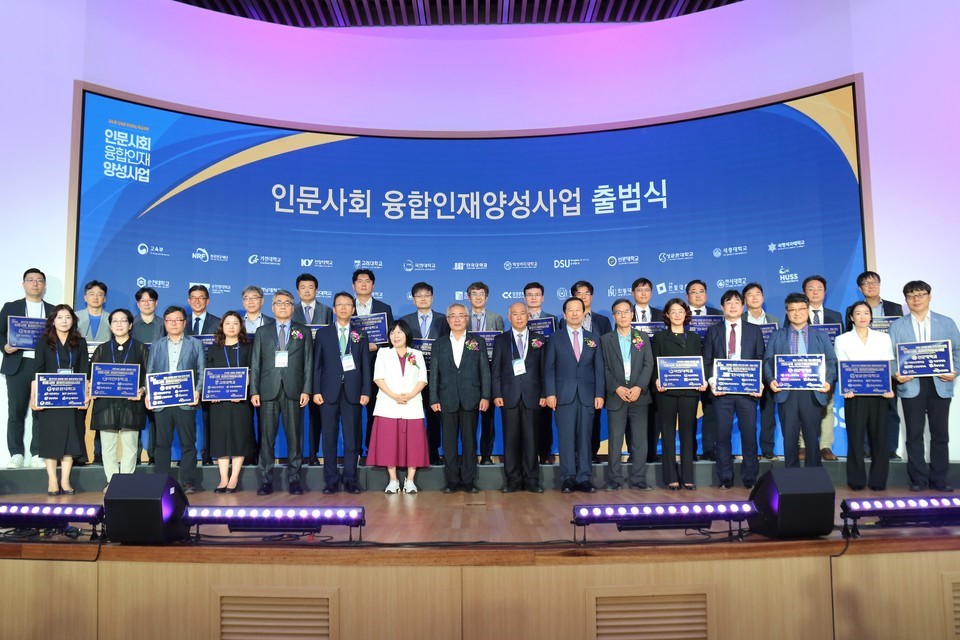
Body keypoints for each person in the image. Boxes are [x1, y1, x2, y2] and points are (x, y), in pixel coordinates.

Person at [888, 281, 960, 492]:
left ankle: (939, 479)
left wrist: (955, 371)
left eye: (920, 294)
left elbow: (958, 352)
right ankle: (918, 479)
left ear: (930, 297)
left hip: (940, 384)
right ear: (906, 300)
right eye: (911, 296)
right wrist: (896, 373)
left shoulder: (946, 323)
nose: (916, 299)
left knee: (940, 435)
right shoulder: (897, 326)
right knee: (914, 435)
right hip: (911, 385)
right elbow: (890, 357)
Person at [763, 293, 837, 469]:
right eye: (792, 310)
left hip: (812, 392)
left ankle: (813, 475)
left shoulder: (821, 335)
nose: (797, 313)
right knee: (789, 438)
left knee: (812, 437)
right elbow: (768, 361)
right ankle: (793, 477)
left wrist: (828, 381)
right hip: (786, 392)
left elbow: (831, 361)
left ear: (808, 310)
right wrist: (771, 380)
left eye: (801, 309)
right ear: (787, 312)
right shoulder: (777, 335)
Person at [251, 290, 312, 496]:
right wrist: (254, 391)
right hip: (268, 390)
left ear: (293, 307)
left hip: (294, 390)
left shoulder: (303, 331)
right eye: (279, 303)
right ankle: (265, 480)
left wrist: (306, 390)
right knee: (266, 439)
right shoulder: (262, 332)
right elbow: (256, 363)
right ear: (272, 307)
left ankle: (294, 479)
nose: (283, 306)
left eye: (287, 303)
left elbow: (308, 363)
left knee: (295, 439)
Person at [704, 290, 766, 489]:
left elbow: (760, 358)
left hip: (747, 392)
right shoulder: (713, 331)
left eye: (737, 302)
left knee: (749, 434)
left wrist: (758, 383)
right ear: (722, 307)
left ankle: (750, 478)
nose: (732, 306)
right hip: (722, 392)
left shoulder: (754, 331)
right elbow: (707, 361)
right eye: (728, 302)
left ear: (743, 306)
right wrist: (713, 382)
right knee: (722, 436)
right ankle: (725, 478)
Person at [545, 297, 604, 493]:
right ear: (564, 314)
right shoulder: (555, 338)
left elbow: (599, 369)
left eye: (578, 309)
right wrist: (550, 393)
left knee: (585, 438)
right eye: (570, 310)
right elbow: (549, 368)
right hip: (563, 395)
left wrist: (599, 393)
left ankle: (584, 477)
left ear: (584, 312)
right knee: (566, 438)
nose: (574, 313)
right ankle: (568, 478)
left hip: (587, 395)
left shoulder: (593, 338)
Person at [429, 303, 491, 493]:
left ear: (467, 318)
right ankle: (452, 481)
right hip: (446, 399)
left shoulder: (477, 341)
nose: (457, 319)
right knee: (448, 444)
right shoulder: (439, 344)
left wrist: (485, 396)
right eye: (453, 316)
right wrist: (433, 398)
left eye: (461, 315)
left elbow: (484, 371)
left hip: (471, 398)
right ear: (447, 320)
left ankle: (469, 481)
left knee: (469, 442)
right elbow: (434, 374)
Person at [313, 292, 370, 494]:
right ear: (334, 309)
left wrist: (366, 390)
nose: (344, 308)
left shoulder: (360, 334)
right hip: (328, 392)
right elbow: (317, 365)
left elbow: (365, 365)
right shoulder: (323, 333)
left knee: (352, 439)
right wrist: (316, 390)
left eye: (347, 304)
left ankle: (350, 479)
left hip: (353, 392)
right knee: (329, 438)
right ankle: (331, 480)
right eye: (340, 304)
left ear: (353, 309)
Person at [835, 301, 895, 491]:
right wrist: (847, 387)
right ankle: (856, 480)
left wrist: (889, 387)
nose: (862, 316)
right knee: (855, 438)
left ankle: (878, 481)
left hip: (880, 394)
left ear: (871, 316)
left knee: (880, 439)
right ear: (851, 317)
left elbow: (888, 365)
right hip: (854, 395)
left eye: (866, 313)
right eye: (858, 313)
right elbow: (842, 366)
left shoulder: (883, 338)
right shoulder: (842, 339)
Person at [29, 305, 89, 495]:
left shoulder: (80, 342)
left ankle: (65, 481)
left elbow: (84, 370)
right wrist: (34, 397)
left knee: (70, 440)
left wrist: (86, 396)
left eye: (68, 317)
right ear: (53, 320)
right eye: (60, 317)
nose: (64, 321)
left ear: (73, 321)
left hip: (72, 397)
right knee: (51, 440)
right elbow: (37, 372)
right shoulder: (44, 342)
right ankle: (52, 481)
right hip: (50, 397)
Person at [145, 306, 205, 493]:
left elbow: (201, 370)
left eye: (177, 320)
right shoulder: (157, 344)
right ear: (164, 323)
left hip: (186, 400)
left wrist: (198, 391)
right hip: (162, 401)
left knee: (188, 443)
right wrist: (149, 393)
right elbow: (150, 371)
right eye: (169, 320)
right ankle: (161, 481)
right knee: (161, 443)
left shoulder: (195, 344)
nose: (173, 323)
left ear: (184, 323)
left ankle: (188, 481)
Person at [847, 270, 904, 460]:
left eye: (874, 282)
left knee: (890, 410)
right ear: (860, 288)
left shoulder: (895, 308)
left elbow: (899, 338)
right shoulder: (853, 310)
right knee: (862, 411)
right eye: (866, 283)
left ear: (879, 285)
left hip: (886, 366)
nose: (871, 286)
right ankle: (866, 448)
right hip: (860, 369)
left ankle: (890, 449)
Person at [367, 320, 429, 493]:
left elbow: (423, 379)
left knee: (414, 443)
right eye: (392, 332)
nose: (396, 336)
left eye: (399, 332)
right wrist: (394, 395)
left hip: (412, 403)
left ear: (407, 335)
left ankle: (410, 480)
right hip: (388, 403)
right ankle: (393, 480)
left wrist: (410, 395)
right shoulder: (383, 353)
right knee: (389, 443)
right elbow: (378, 377)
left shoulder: (416, 354)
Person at [1, 268, 54, 468]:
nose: (35, 283)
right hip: (18, 364)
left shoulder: (53, 310)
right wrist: (5, 347)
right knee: (16, 411)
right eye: (30, 280)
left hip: (44, 367)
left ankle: (37, 453)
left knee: (41, 411)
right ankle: (16, 454)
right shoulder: (11, 307)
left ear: (44, 285)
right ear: (23, 284)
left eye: (39, 280)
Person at [651, 299, 707, 490]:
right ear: (667, 315)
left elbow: (699, 363)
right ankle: (671, 477)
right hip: (666, 392)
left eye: (680, 311)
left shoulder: (694, 338)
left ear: (686, 314)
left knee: (688, 433)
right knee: (667, 433)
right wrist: (656, 380)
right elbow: (654, 363)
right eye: (673, 311)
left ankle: (687, 476)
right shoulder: (659, 337)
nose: (677, 314)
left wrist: (702, 380)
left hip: (689, 392)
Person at [89, 309, 147, 489]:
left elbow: (148, 375)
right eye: (115, 321)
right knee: (107, 448)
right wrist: (93, 388)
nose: (119, 324)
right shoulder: (102, 349)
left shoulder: (140, 348)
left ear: (130, 325)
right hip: (107, 405)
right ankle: (112, 483)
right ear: (110, 325)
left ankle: (126, 484)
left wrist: (143, 389)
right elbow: (92, 375)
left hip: (131, 404)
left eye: (123, 321)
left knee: (130, 447)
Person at [492, 302, 546, 493]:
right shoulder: (501, 340)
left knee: (532, 440)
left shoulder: (539, 339)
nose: (519, 317)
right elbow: (496, 370)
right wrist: (497, 393)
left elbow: (544, 370)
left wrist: (544, 393)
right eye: (515, 314)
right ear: (509, 317)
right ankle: (512, 480)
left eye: (523, 313)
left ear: (528, 316)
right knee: (511, 440)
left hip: (533, 396)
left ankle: (532, 479)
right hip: (509, 396)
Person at [600, 299, 654, 491]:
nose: (622, 316)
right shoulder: (605, 340)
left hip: (639, 396)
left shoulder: (642, 337)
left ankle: (638, 479)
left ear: (632, 314)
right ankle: (614, 480)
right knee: (615, 441)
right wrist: (616, 387)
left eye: (626, 312)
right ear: (613, 316)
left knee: (639, 441)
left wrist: (639, 387)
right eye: (618, 312)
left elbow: (649, 364)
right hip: (617, 396)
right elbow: (603, 367)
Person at [399, 281, 448, 466]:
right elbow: (399, 347)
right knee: (412, 417)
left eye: (427, 295)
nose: (423, 298)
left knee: (435, 417)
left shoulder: (444, 320)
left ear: (432, 298)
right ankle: (410, 453)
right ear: (413, 299)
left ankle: (433, 452)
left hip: (438, 377)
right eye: (419, 296)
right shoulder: (405, 321)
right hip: (413, 377)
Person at [205, 311, 253, 493]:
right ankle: (223, 478)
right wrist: (212, 392)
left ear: (241, 326)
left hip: (240, 401)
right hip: (218, 402)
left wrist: (243, 387)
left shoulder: (248, 347)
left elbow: (253, 370)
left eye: (235, 323)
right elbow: (208, 373)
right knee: (220, 438)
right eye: (227, 323)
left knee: (239, 437)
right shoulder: (213, 349)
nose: (231, 327)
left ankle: (234, 478)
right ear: (222, 326)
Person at [566, 280, 611, 464]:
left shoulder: (603, 321)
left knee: (594, 418)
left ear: (591, 296)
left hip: (594, 377)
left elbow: (608, 349)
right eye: (579, 294)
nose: (583, 297)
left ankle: (592, 453)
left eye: (586, 293)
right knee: (573, 420)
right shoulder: (564, 321)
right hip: (571, 380)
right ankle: (575, 454)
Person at [352, 268, 394, 456]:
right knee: (352, 412)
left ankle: (371, 449)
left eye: (367, 281)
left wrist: (376, 346)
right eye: (359, 281)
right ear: (353, 285)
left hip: (376, 366)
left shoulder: (384, 308)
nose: (363, 284)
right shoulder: (345, 306)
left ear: (373, 285)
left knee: (374, 410)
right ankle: (354, 450)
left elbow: (392, 338)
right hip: (351, 368)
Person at [802, 275, 842, 461]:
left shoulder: (836, 316)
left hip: (827, 369)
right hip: (803, 369)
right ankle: (803, 446)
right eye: (811, 289)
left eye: (819, 289)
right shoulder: (797, 313)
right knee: (803, 407)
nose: (815, 292)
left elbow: (839, 344)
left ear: (825, 292)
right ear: (805, 293)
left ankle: (825, 446)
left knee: (827, 407)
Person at [293, 273, 331, 467]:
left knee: (317, 415)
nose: (307, 290)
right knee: (296, 416)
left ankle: (314, 454)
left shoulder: (327, 311)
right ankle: (297, 454)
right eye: (303, 287)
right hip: (297, 368)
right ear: (298, 290)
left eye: (310, 287)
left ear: (316, 290)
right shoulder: (291, 311)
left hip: (321, 369)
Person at [742, 282, 780, 460]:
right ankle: (749, 451)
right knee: (746, 414)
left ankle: (767, 449)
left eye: (758, 293)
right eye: (750, 294)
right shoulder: (739, 319)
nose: (755, 297)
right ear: (744, 300)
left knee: (768, 413)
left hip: (769, 371)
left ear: (763, 297)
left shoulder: (775, 320)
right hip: (746, 372)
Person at [467, 281, 503, 466]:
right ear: (468, 298)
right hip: (467, 373)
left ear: (487, 298)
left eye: (481, 294)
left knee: (488, 418)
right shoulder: (462, 318)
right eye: (474, 294)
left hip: (489, 370)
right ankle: (469, 455)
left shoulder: (496, 318)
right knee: (468, 419)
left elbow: (501, 347)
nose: (478, 297)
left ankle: (486, 455)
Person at [524, 281, 557, 465]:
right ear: (525, 298)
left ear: (543, 298)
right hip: (524, 374)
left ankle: (545, 452)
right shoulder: (518, 317)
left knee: (545, 417)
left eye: (537, 295)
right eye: (530, 295)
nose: (533, 298)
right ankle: (527, 454)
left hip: (545, 371)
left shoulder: (551, 320)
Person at [185, 284, 219, 466]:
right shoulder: (181, 322)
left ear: (208, 301)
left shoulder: (218, 322)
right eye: (194, 298)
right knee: (185, 420)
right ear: (189, 301)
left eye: (201, 298)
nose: (197, 301)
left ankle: (208, 454)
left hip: (210, 376)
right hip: (185, 377)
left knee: (209, 419)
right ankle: (188, 456)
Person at [131, 286, 163, 466]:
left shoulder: (163, 324)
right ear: (138, 304)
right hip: (135, 376)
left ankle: (154, 454)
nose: (146, 304)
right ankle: (134, 455)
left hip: (157, 375)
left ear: (156, 303)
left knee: (155, 419)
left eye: (150, 300)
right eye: (143, 301)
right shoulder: (131, 323)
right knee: (134, 417)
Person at [76, 280, 112, 344]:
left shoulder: (112, 318)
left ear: (104, 299)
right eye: (92, 294)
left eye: (100, 295)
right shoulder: (75, 316)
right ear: (85, 298)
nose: (95, 298)